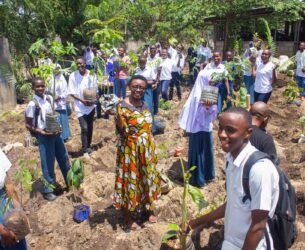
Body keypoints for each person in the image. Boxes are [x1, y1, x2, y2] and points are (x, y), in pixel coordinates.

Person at [186, 107, 279, 250]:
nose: (222, 134)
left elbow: (258, 227)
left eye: (230, 130)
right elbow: (232, 205)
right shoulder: (231, 160)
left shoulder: (259, 170)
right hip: (231, 242)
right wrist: (194, 222)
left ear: (248, 133)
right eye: (220, 128)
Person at [113, 75, 161, 231]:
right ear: (129, 87)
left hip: (146, 150)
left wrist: (152, 147)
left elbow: (148, 128)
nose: (138, 90)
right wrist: (118, 118)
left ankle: (147, 209)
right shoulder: (122, 106)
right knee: (130, 181)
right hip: (130, 151)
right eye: (135, 86)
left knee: (146, 179)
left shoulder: (145, 105)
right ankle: (128, 216)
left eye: (141, 87)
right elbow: (122, 131)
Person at [25, 77, 70, 201]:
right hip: (44, 137)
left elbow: (53, 115)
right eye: (37, 86)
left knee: (64, 157)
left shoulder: (49, 98)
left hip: (55, 134)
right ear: (33, 88)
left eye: (42, 86)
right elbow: (28, 124)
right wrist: (41, 131)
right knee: (48, 162)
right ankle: (48, 189)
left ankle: (70, 181)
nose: (40, 88)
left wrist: (58, 126)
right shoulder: (32, 104)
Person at [179, 68, 218, 187]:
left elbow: (213, 113)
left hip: (206, 128)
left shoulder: (209, 92)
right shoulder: (196, 96)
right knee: (199, 153)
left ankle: (208, 175)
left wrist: (210, 108)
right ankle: (198, 179)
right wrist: (206, 108)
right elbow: (199, 119)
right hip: (198, 129)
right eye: (209, 79)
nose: (211, 82)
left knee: (206, 151)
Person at [0, 149, 28, 250]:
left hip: (5, 201)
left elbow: (8, 184)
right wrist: (2, 231)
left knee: (18, 240)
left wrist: (19, 212)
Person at [68, 57, 97, 154]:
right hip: (80, 106)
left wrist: (92, 100)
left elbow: (95, 89)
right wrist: (82, 101)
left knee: (90, 126)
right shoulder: (73, 76)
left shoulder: (91, 74)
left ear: (85, 63)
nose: (80, 65)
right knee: (84, 127)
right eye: (78, 64)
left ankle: (88, 146)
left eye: (82, 63)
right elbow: (71, 92)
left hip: (90, 105)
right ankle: (84, 148)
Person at [134, 56, 156, 133]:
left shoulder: (150, 69)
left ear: (146, 62)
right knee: (138, 108)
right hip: (138, 91)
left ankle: (152, 129)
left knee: (149, 108)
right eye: (140, 62)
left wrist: (143, 82)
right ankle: (141, 127)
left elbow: (153, 80)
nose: (142, 64)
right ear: (139, 62)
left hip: (147, 90)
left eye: (143, 62)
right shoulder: (136, 70)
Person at [49, 65, 71, 142]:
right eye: (55, 69)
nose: (57, 70)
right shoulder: (50, 78)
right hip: (53, 102)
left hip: (61, 102)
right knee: (55, 119)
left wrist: (60, 97)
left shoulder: (62, 79)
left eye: (58, 69)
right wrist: (52, 96)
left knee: (63, 120)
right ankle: (57, 137)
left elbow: (66, 91)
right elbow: (48, 89)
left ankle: (65, 136)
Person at [147, 45, 162, 115]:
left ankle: (155, 113)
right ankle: (149, 111)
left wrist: (156, 82)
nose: (152, 50)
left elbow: (159, 71)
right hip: (148, 81)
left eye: (154, 48)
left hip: (155, 81)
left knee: (155, 97)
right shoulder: (147, 59)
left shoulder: (159, 59)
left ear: (156, 50)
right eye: (151, 48)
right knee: (149, 97)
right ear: (149, 50)